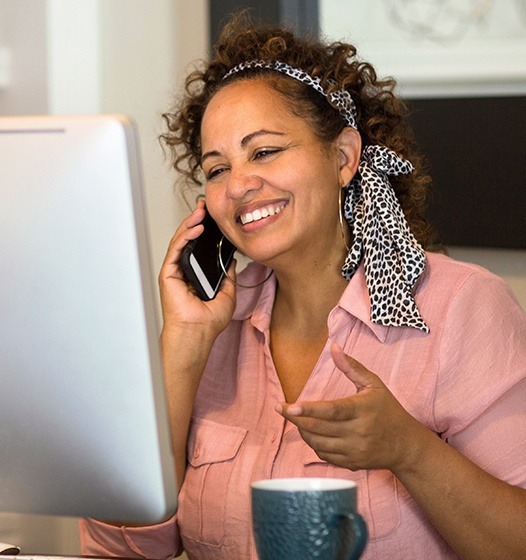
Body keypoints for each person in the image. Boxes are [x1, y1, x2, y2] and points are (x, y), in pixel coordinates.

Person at [79, 14, 526, 560]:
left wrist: (412, 453)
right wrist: (184, 344)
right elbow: (118, 549)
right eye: (216, 169)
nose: (239, 185)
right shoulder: (213, 326)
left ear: (342, 158)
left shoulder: (461, 306)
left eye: (264, 152)